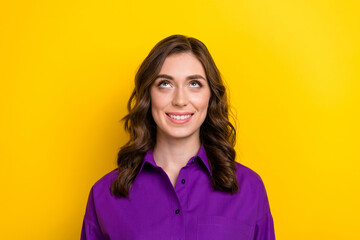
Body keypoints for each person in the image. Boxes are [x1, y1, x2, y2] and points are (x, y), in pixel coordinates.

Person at [81, 34, 275, 240]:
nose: (180, 100)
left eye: (194, 84)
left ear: (210, 97)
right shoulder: (105, 195)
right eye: (165, 84)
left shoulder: (249, 189)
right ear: (148, 96)